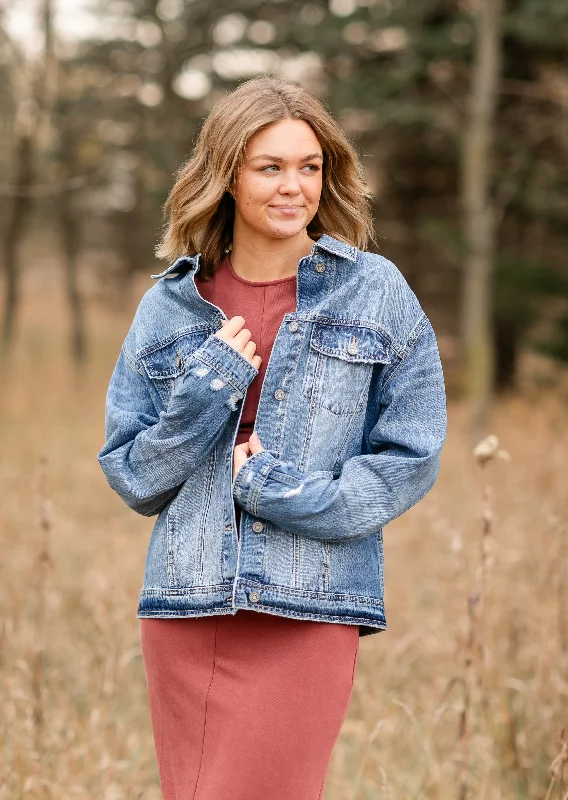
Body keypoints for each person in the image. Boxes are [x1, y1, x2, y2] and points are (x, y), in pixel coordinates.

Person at [98, 75, 447, 800]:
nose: (294, 187)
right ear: (225, 176)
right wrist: (206, 392)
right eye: (270, 167)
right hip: (188, 600)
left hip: (307, 605)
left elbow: (411, 456)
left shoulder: (374, 291)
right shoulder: (170, 305)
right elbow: (132, 475)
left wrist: (282, 492)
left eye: (308, 167)